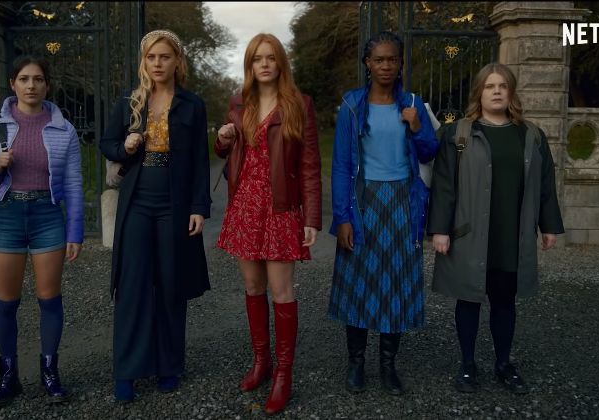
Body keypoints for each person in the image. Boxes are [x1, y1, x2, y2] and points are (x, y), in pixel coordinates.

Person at [427, 62, 564, 394]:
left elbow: (545, 184)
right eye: (490, 86)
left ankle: (504, 364)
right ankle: (467, 364)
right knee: (468, 299)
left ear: (511, 91)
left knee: (504, 301)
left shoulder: (530, 135)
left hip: (510, 235)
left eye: (503, 86)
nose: (497, 91)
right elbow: (444, 184)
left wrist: (549, 226)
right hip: (470, 233)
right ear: (480, 92)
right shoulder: (458, 134)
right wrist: (440, 229)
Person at [0, 56, 83, 407]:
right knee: (6, 302)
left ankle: (49, 373)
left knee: (50, 299)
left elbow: (74, 182)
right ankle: (8, 376)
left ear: (47, 85)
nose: (31, 85)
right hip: (6, 216)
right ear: (12, 83)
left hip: (47, 216)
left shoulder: (64, 129)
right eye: (24, 79)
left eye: (38, 79)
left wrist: (75, 231)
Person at [99, 29, 211, 403]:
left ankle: (168, 366)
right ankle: (128, 370)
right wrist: (125, 146)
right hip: (137, 203)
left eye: (165, 56)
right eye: (151, 57)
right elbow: (106, 143)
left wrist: (199, 207)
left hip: (174, 205)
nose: (158, 63)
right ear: (143, 61)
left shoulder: (192, 105)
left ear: (177, 61)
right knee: (132, 285)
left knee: (170, 284)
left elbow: (200, 161)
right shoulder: (129, 101)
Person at [215, 33, 321, 415]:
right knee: (252, 286)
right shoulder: (238, 103)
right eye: (257, 58)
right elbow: (224, 150)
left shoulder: (299, 105)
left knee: (282, 291)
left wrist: (311, 217)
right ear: (250, 64)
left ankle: (283, 374)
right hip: (245, 205)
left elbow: (309, 164)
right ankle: (261, 361)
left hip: (280, 208)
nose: (264, 64)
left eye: (270, 57)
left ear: (280, 63)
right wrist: (223, 137)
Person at [327, 31, 438, 396]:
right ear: (368, 64)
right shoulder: (352, 105)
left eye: (392, 59)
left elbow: (429, 152)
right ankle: (356, 363)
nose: (386, 65)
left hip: (403, 203)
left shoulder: (412, 104)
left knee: (397, 283)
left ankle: (388, 365)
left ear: (400, 63)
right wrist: (343, 217)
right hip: (364, 203)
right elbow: (341, 165)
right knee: (359, 282)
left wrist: (417, 127)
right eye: (379, 60)